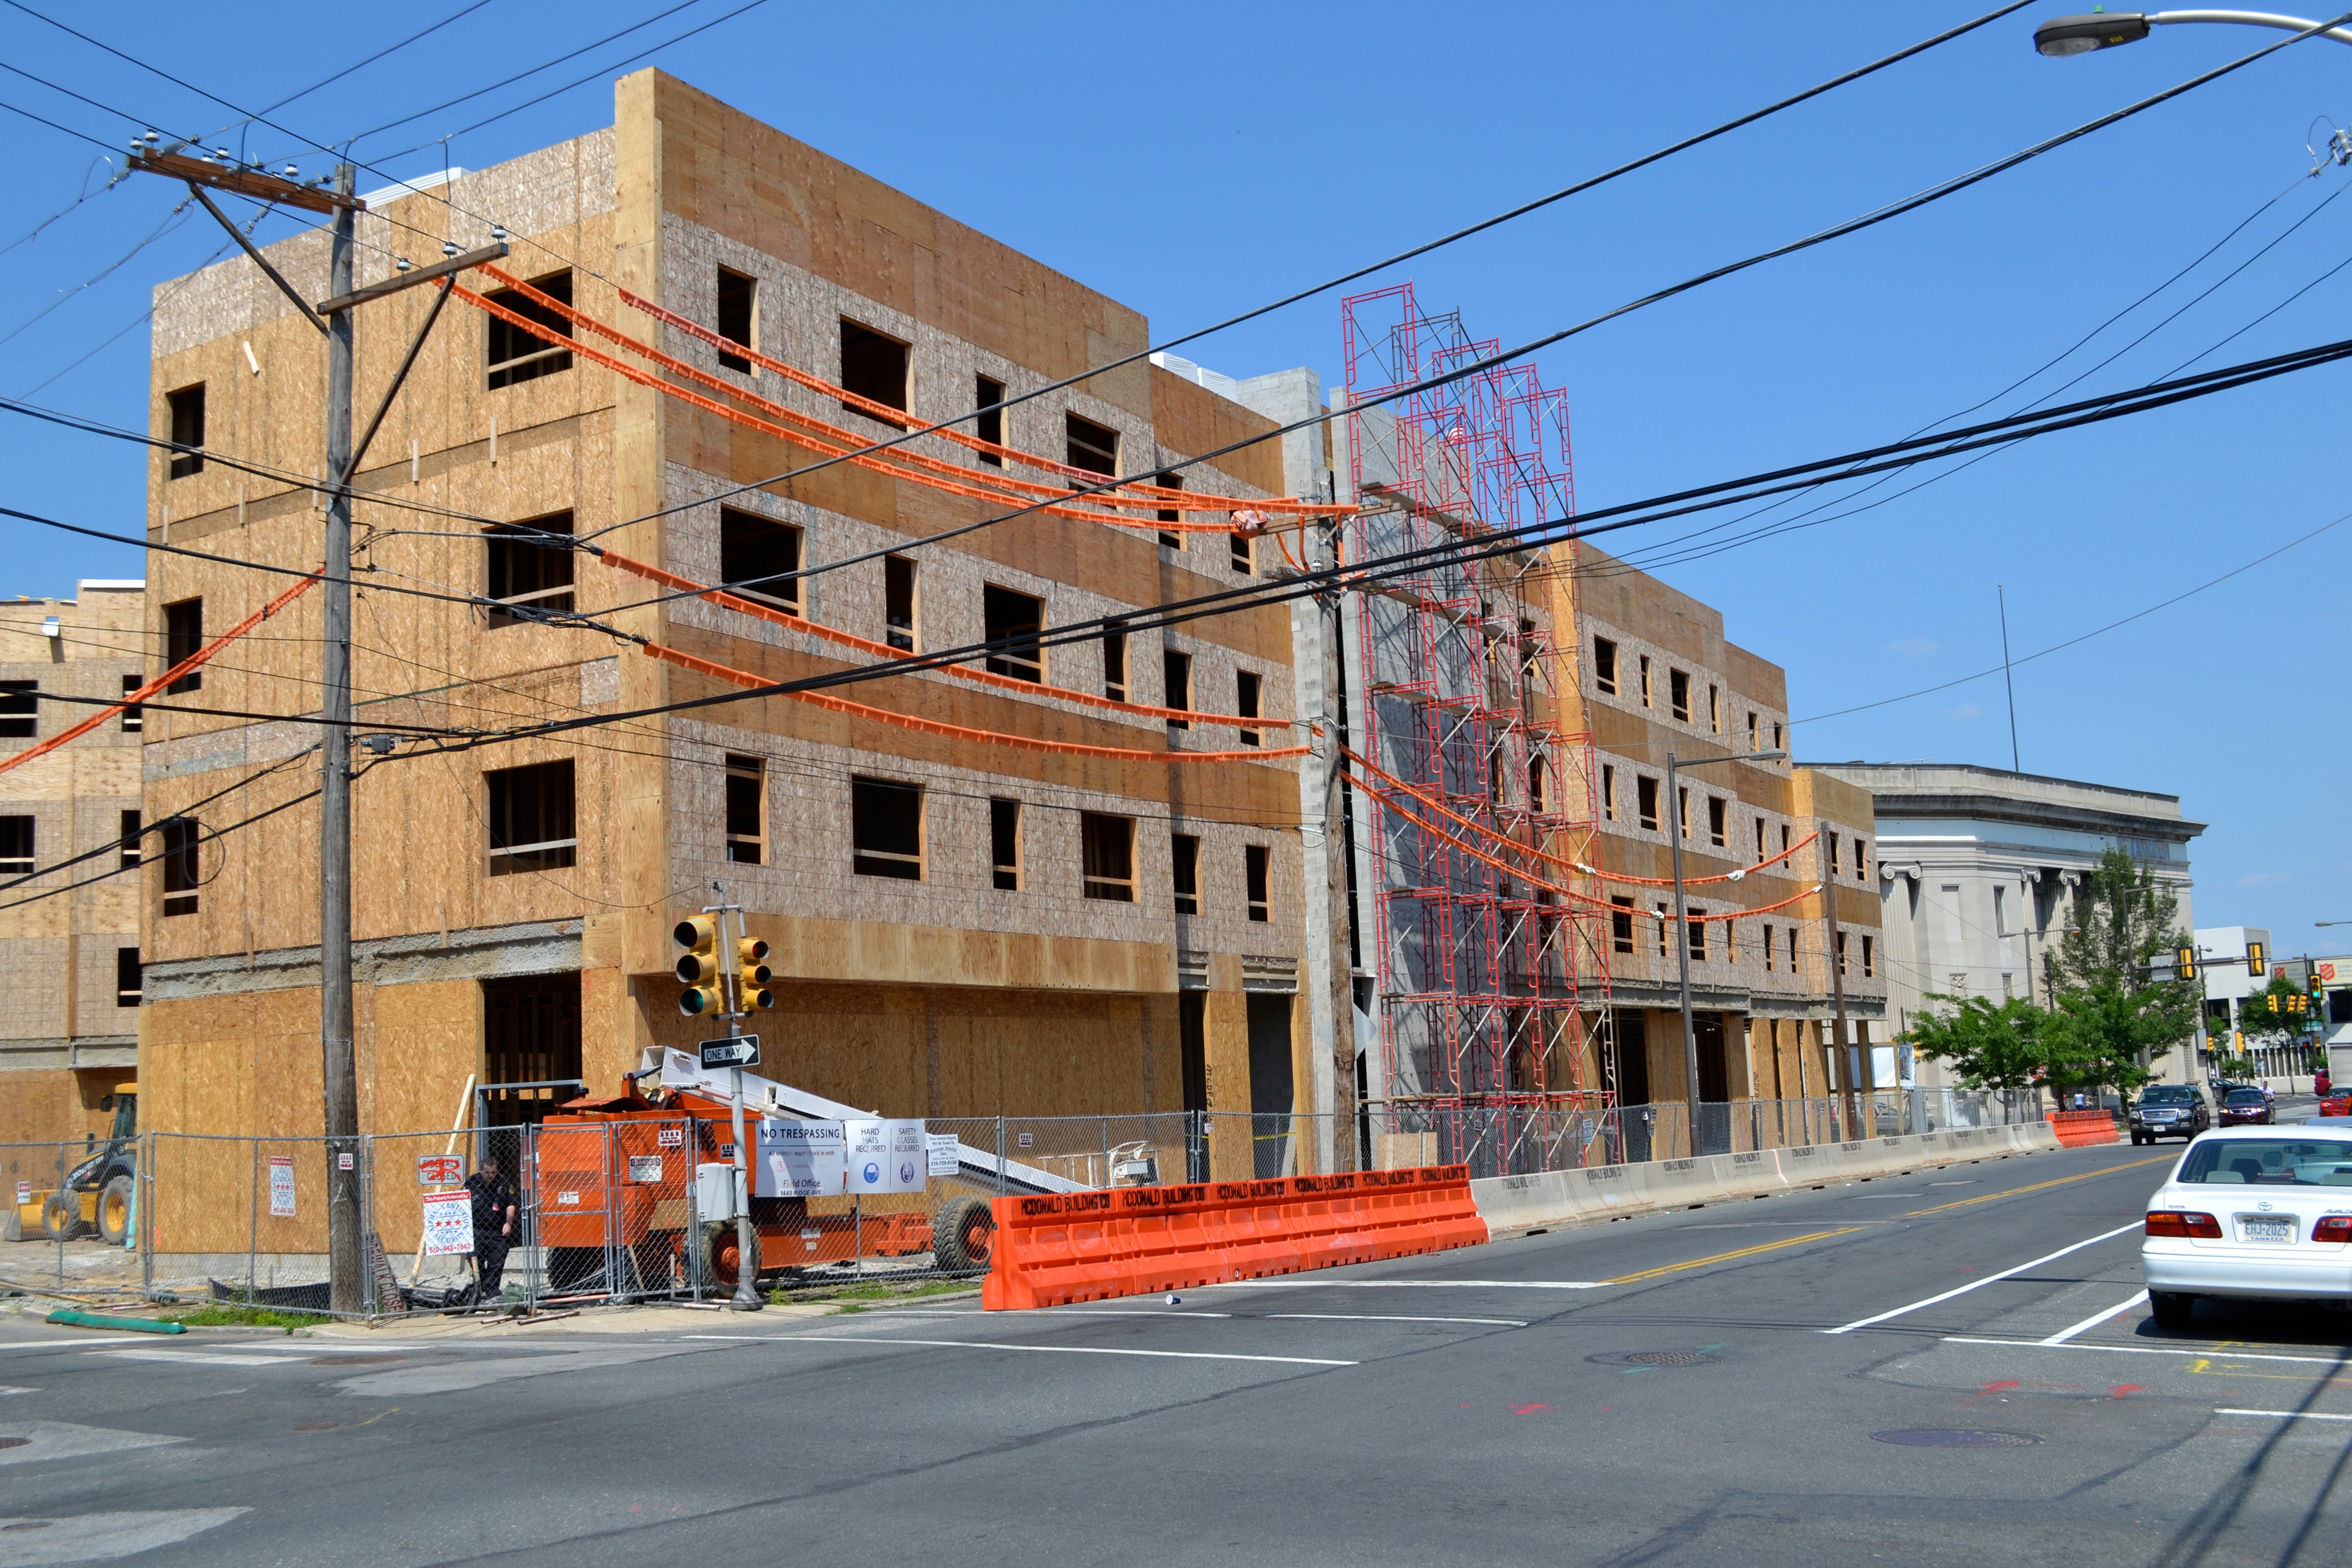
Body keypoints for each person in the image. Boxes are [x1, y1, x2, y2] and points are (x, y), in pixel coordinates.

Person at [464, 1155, 519, 1296]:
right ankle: (480, 1286)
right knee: (476, 1260)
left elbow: (511, 1203)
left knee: (497, 1261)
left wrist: (508, 1222)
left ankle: (492, 1290)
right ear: (481, 1171)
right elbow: (461, 1204)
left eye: (494, 1172)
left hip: (497, 1230)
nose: (491, 1175)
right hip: (477, 1230)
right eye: (488, 1173)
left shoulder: (503, 1182)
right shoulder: (472, 1183)